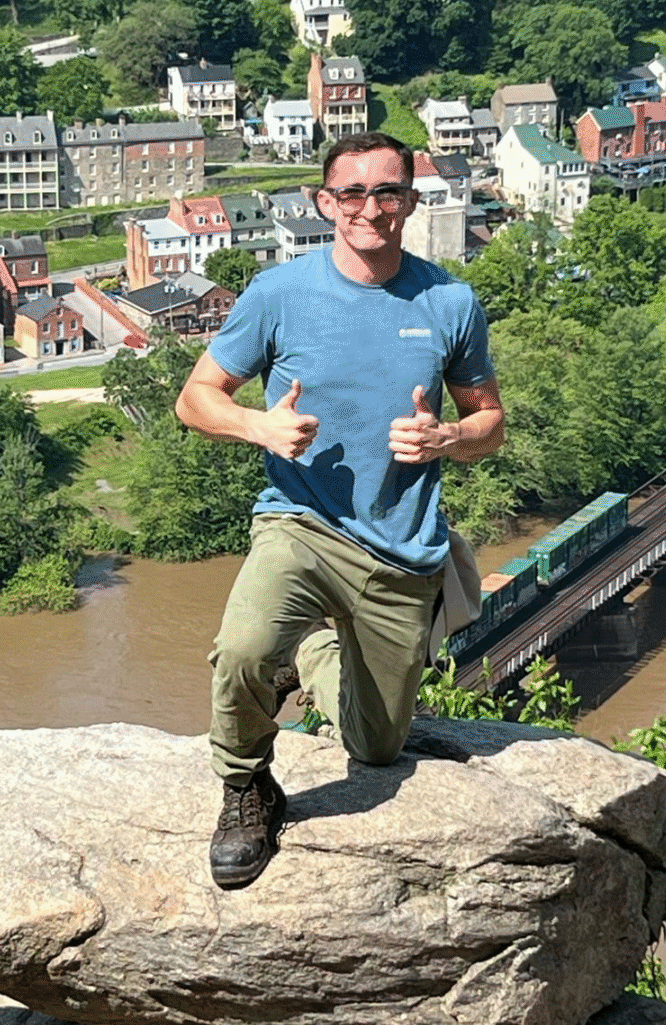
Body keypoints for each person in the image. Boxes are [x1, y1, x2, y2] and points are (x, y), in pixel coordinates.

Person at [173, 132, 505, 889]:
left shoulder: (449, 302)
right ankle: (246, 787)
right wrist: (258, 426)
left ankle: (313, 655)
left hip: (401, 546)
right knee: (244, 648)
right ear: (325, 203)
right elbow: (195, 399)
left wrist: (450, 437)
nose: (370, 207)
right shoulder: (279, 294)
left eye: (388, 191)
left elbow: (490, 423)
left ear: (410, 202)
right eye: (352, 192)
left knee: (376, 749)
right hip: (300, 522)